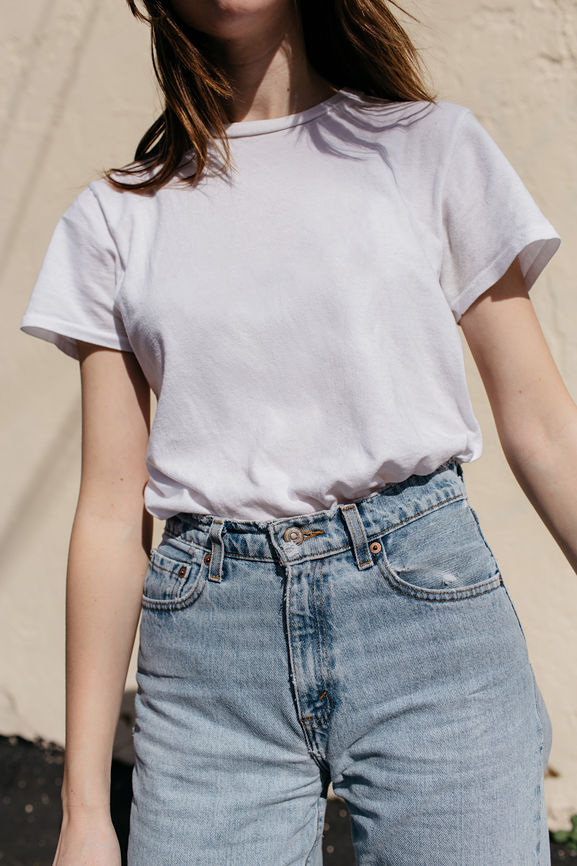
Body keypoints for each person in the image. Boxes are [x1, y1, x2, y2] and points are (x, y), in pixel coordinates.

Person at [19, 0, 571, 863]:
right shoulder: (115, 218)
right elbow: (110, 514)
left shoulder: (428, 146)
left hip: (427, 620)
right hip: (210, 661)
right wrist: (83, 810)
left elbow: (542, 426)